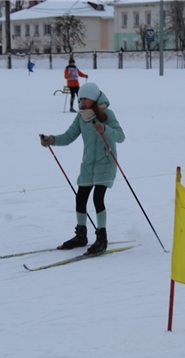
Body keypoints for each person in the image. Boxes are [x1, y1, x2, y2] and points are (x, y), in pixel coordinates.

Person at [40, 82, 125, 255]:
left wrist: (104, 128)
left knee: (97, 198)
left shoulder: (107, 114)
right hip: (88, 165)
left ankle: (102, 239)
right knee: (81, 199)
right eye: (80, 99)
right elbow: (69, 136)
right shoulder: (81, 116)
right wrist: (52, 140)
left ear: (93, 98)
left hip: (105, 163)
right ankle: (81, 236)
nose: (82, 102)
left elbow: (120, 136)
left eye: (85, 98)